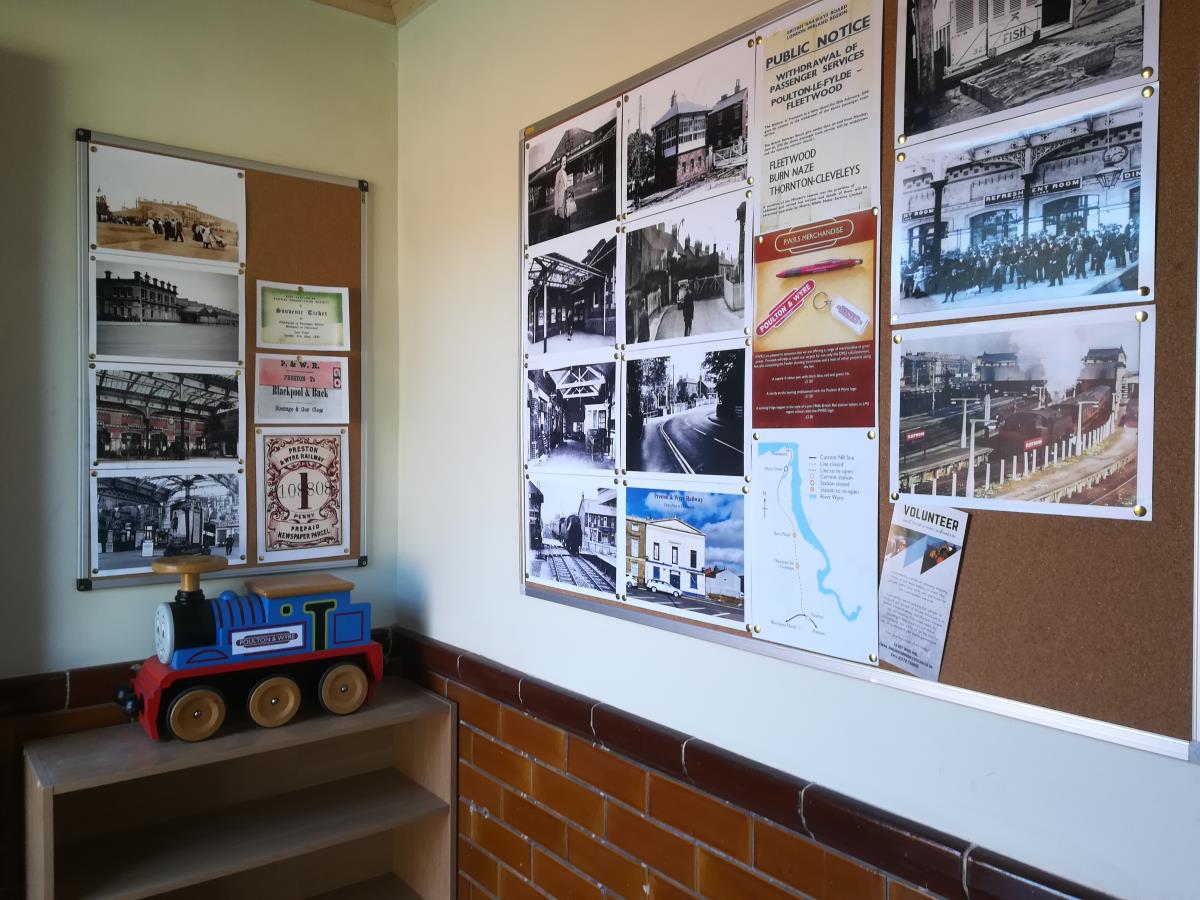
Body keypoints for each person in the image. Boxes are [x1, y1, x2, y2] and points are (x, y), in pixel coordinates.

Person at [553, 158, 569, 235]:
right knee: (562, 223)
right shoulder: (558, 173)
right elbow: (556, 190)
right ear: (560, 163)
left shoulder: (565, 173)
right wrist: (556, 208)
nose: (564, 162)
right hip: (560, 202)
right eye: (563, 161)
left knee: (567, 220)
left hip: (566, 200)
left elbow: (565, 187)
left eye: (565, 161)